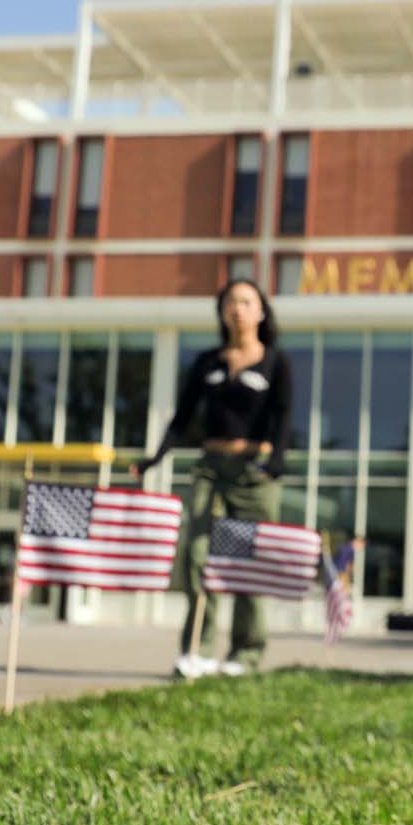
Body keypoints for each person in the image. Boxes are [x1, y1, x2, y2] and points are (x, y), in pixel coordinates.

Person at [135, 280, 293, 679]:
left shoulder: (276, 362)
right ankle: (197, 650)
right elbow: (182, 417)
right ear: (222, 312)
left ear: (260, 312)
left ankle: (246, 652)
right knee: (196, 556)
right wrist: (154, 458)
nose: (237, 309)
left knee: (248, 564)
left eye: (246, 301)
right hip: (210, 466)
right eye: (230, 302)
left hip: (253, 474)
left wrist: (275, 461)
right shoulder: (208, 362)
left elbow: (283, 419)